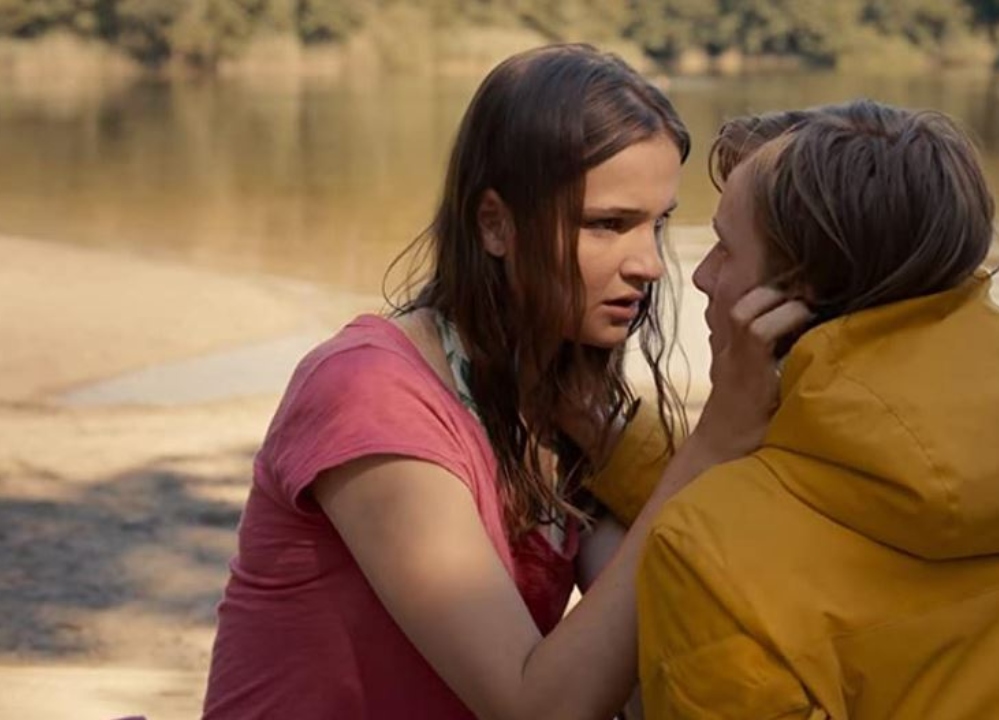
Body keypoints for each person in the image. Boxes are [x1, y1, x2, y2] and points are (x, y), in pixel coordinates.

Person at [202, 44, 811, 719]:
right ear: (495, 224)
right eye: (608, 225)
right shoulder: (370, 393)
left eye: (657, 224)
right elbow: (536, 708)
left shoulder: (557, 401)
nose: (650, 265)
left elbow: (640, 663)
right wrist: (714, 443)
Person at [635, 100, 999, 719]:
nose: (702, 276)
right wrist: (614, 439)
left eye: (725, 249)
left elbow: (770, 523)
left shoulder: (702, 548)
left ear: (792, 292)